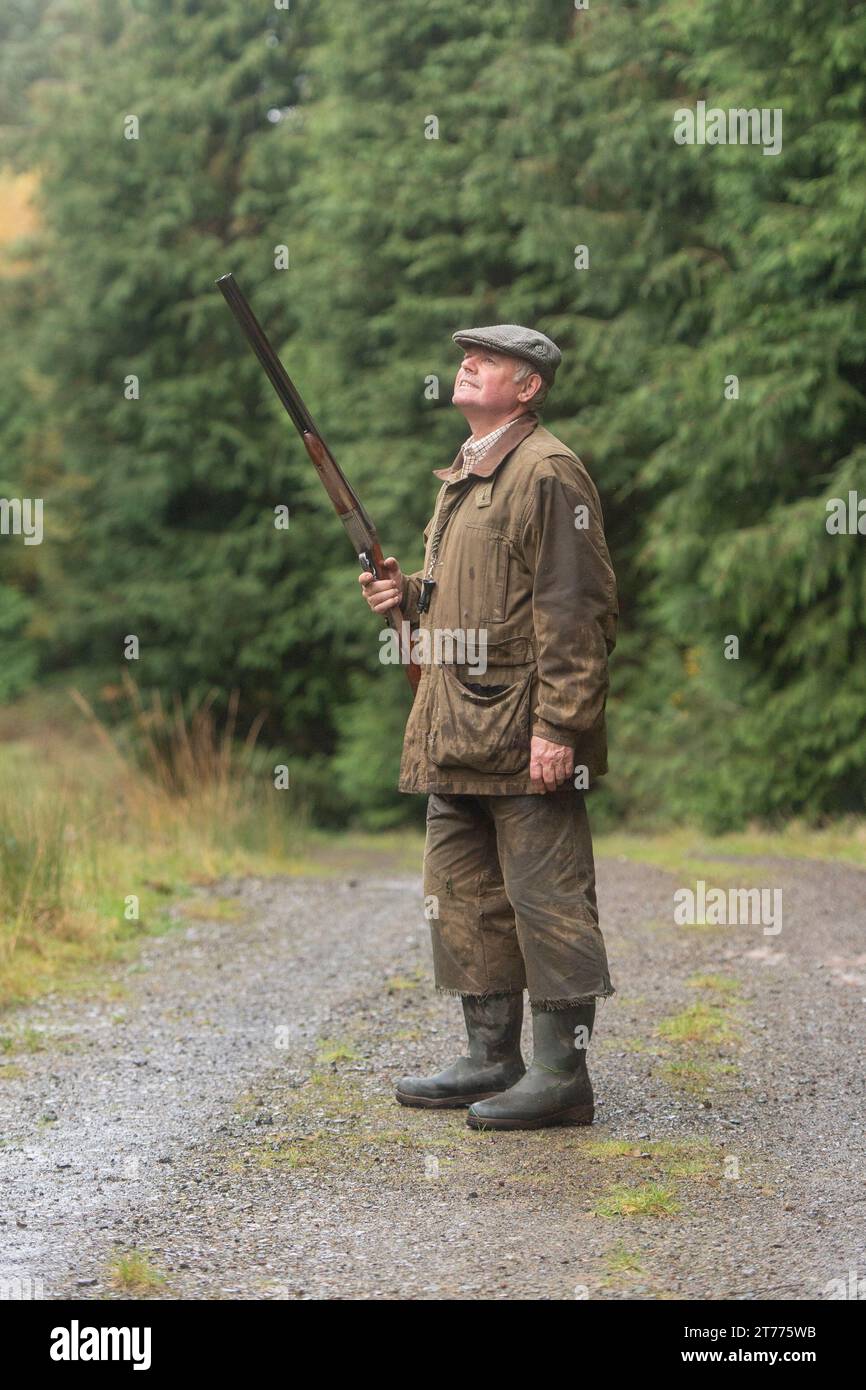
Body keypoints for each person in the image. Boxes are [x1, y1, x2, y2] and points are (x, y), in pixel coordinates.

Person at [358, 324, 618, 1130]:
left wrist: (561, 726)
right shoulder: (465, 477)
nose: (467, 364)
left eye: (491, 361)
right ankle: (489, 1058)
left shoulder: (547, 471)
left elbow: (578, 608)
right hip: (452, 726)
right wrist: (408, 603)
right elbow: (476, 602)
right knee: (463, 897)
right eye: (466, 357)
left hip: (521, 732)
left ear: (529, 387)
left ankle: (561, 1076)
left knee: (550, 900)